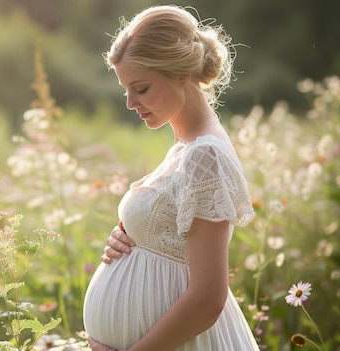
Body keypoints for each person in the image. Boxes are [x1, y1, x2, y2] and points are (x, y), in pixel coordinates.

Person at [82, 5, 260, 351]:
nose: (131, 103)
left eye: (142, 88)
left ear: (181, 74)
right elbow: (169, 240)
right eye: (126, 90)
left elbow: (208, 299)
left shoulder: (205, 153)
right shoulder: (186, 144)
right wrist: (127, 233)